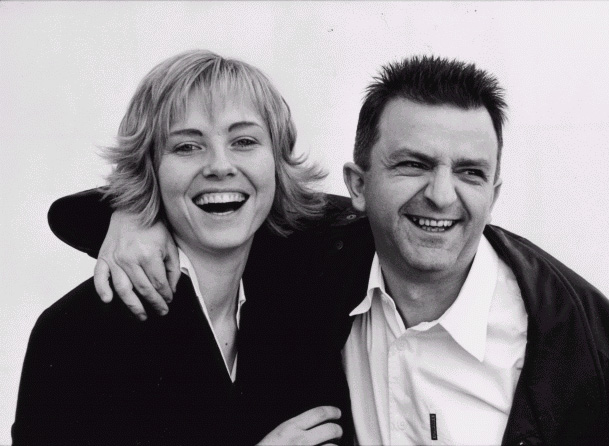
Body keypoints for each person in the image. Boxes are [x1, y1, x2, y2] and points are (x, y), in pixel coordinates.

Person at [46, 55, 609, 445]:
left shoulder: (562, 319)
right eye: (413, 164)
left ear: (495, 193)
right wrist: (130, 213)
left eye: (470, 172)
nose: (441, 195)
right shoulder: (318, 272)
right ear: (358, 186)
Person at [13, 50, 354, 446]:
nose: (220, 166)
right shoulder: (76, 335)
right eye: (187, 147)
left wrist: (122, 213)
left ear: (277, 163)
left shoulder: (302, 295)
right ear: (149, 168)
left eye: (244, 141)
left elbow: (375, 216)